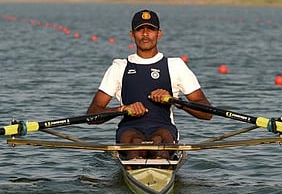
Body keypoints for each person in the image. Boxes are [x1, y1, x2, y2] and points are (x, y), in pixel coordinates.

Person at [87, 9, 213, 159]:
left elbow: (207, 113)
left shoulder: (175, 66)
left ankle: (155, 161)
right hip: (129, 130)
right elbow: (92, 113)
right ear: (132, 34)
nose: (145, 34)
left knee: (159, 142)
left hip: (164, 129)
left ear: (159, 34)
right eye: (140, 29)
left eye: (151, 29)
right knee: (135, 144)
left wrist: (174, 101)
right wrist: (122, 109)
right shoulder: (119, 68)